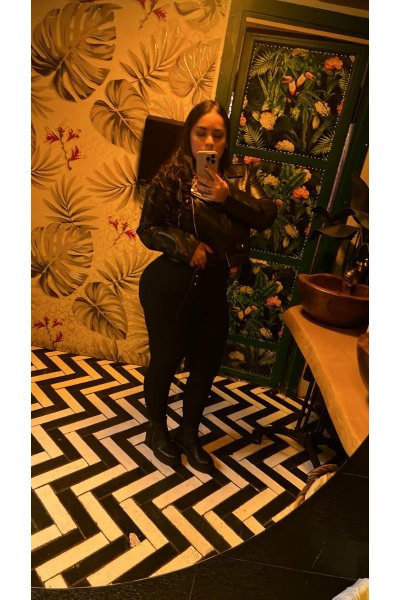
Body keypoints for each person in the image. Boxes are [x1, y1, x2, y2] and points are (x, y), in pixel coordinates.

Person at [137, 99, 277, 473]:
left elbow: (266, 215)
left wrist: (228, 197)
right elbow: (147, 229)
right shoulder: (171, 176)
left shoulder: (241, 177)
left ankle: (189, 434)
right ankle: (156, 428)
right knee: (166, 360)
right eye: (201, 133)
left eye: (218, 134)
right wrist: (185, 246)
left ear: (227, 139)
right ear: (189, 134)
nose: (209, 142)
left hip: (213, 289)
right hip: (169, 286)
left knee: (206, 365)